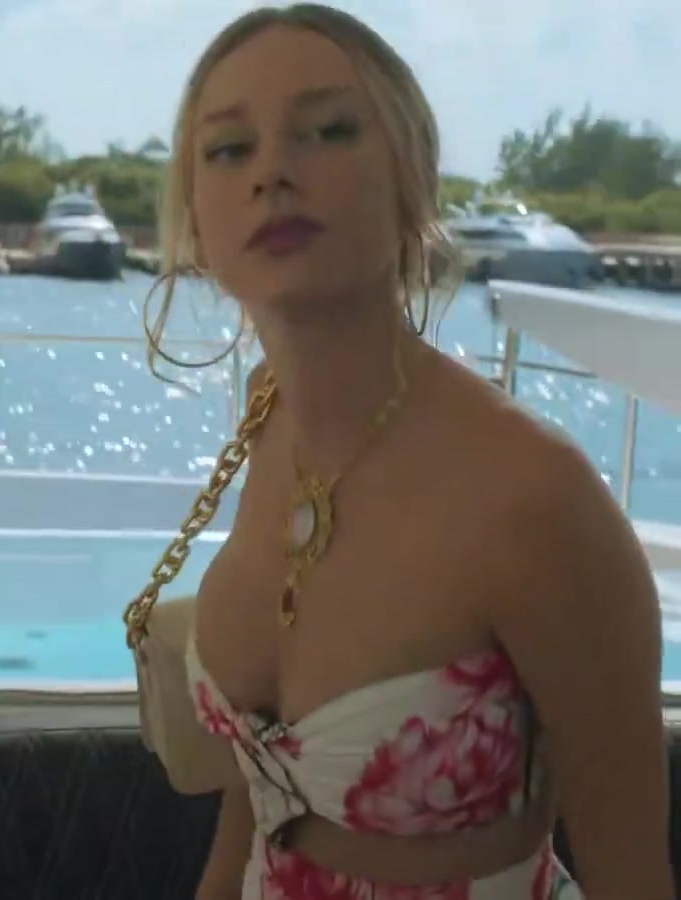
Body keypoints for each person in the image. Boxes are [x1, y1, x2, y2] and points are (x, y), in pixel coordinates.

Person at [139, 4, 673, 898]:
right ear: (194, 219)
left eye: (329, 131)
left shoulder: (533, 501)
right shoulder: (268, 423)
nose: (273, 171)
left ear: (414, 181)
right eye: (229, 149)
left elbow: (633, 874)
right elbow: (259, 797)